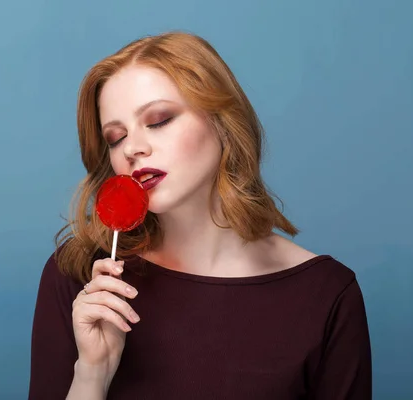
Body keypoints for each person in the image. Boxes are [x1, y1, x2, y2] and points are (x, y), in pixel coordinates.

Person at [29, 31, 372, 399]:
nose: (132, 148)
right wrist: (92, 373)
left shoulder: (326, 296)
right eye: (115, 137)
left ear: (222, 121)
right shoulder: (79, 276)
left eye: (159, 120)